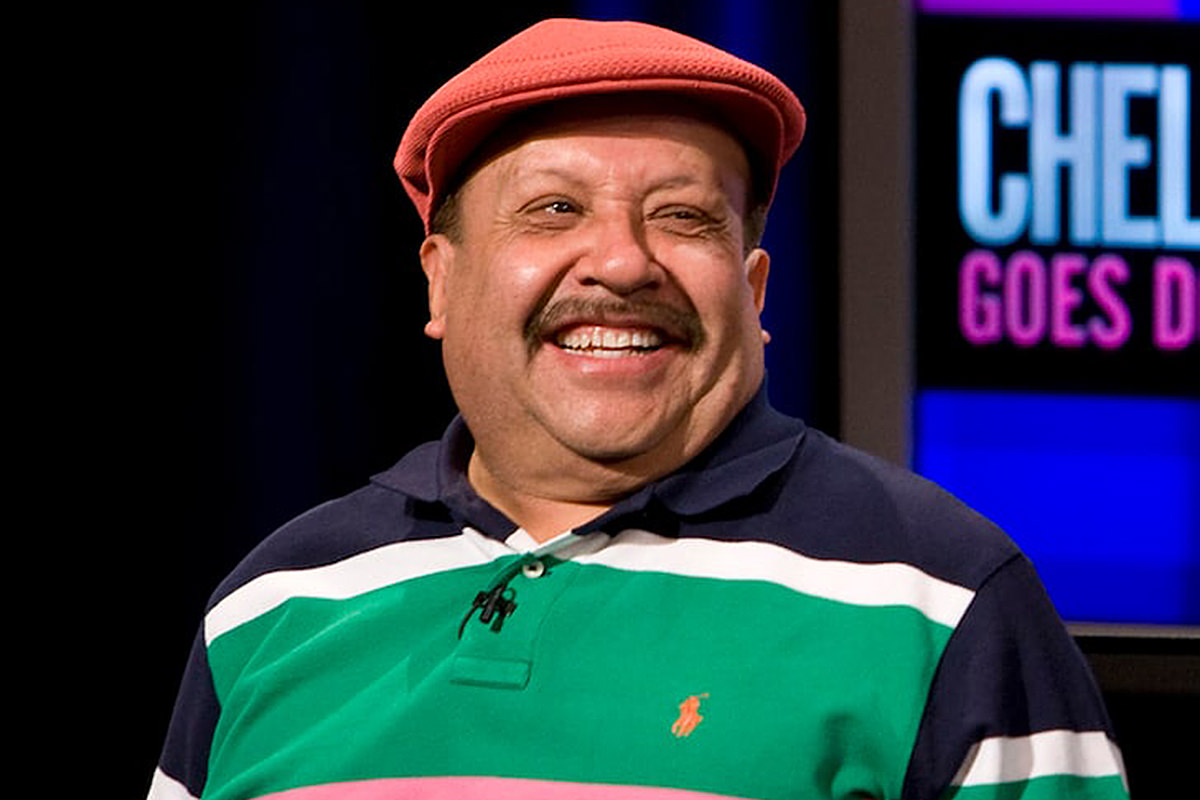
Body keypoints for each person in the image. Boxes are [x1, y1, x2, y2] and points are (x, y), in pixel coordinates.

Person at [149, 18, 1130, 800]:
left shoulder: (944, 599)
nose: (622, 262)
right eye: (555, 208)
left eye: (683, 216)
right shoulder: (272, 604)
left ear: (753, 289)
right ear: (440, 284)